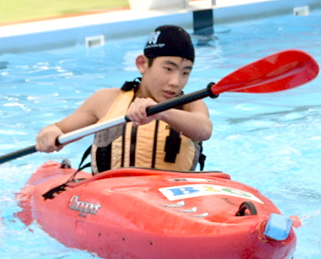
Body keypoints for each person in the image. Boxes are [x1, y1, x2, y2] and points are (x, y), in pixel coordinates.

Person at [36, 25, 213, 173]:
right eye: (168, 69)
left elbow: (204, 130)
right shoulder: (106, 100)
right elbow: (59, 128)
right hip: (112, 195)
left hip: (171, 195)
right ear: (142, 64)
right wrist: (50, 133)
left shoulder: (191, 105)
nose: (176, 82)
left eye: (185, 73)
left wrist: (163, 112)